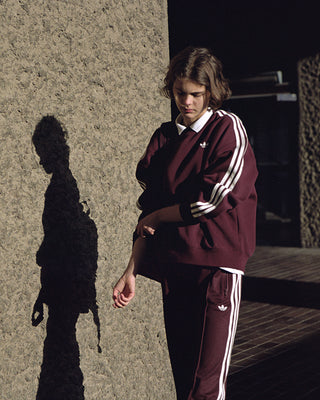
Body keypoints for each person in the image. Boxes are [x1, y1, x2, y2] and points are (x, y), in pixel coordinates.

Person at [113, 46, 258, 400]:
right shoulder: (164, 138)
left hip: (217, 270)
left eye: (196, 94)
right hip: (174, 269)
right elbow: (148, 213)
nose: (188, 102)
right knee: (184, 383)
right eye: (181, 93)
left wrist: (161, 215)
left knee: (206, 387)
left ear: (211, 92)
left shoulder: (228, 128)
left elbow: (213, 199)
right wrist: (131, 269)